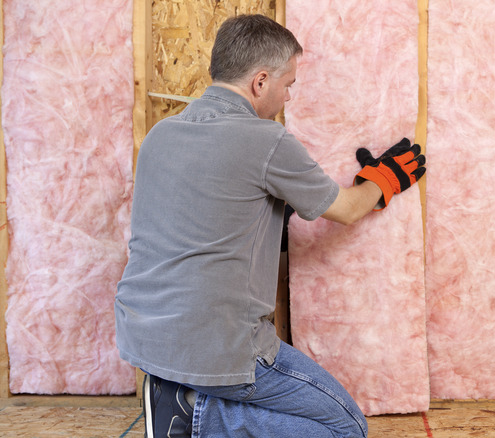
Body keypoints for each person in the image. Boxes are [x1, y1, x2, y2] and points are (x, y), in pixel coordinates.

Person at [114, 14, 425, 438]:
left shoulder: (159, 136)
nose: (289, 96)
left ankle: (177, 388)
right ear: (260, 81)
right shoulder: (266, 140)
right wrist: (383, 180)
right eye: (288, 84)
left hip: (145, 337)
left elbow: (206, 211)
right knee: (347, 428)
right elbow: (349, 208)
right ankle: (193, 413)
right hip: (223, 350)